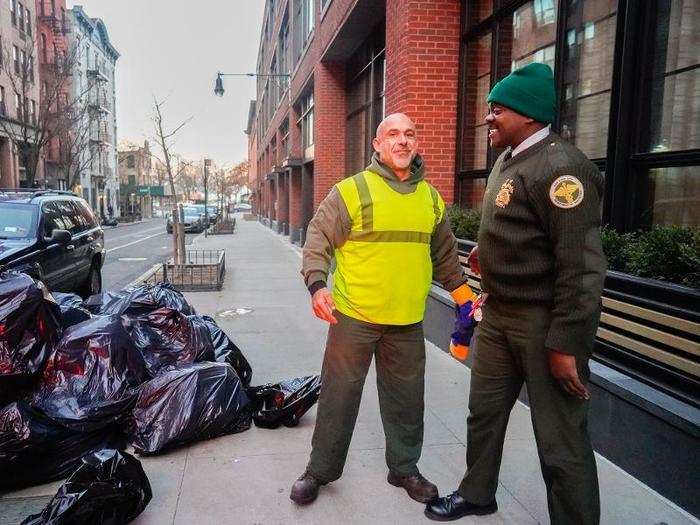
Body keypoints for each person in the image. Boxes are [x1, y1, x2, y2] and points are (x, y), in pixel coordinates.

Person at [425, 63, 606, 524]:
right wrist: (488, 255)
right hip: (500, 316)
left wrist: (566, 345)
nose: (488, 117)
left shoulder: (563, 169)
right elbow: (516, 225)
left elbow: (581, 267)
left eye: (497, 109)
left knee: (559, 440)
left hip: (545, 325)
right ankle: (478, 493)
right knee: (483, 413)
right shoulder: (509, 159)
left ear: (527, 115)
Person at [291, 113, 476, 506]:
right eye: (393, 134)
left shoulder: (430, 199)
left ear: (417, 143)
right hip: (353, 319)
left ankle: (404, 469)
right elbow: (318, 237)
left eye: (410, 134)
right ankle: (319, 471)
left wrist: (465, 302)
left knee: (407, 401)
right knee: (339, 397)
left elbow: (445, 258)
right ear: (377, 144)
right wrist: (317, 285)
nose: (402, 141)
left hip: (407, 323)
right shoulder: (352, 191)